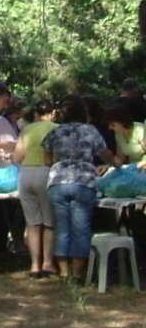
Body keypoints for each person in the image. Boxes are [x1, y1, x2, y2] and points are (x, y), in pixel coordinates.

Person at [44, 96, 114, 281]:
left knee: (62, 228)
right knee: (81, 229)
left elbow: (46, 159)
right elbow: (105, 154)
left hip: (58, 181)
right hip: (84, 182)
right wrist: (116, 164)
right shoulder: (91, 131)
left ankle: (64, 271)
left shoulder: (55, 131)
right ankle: (77, 273)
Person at [14, 100, 58, 278]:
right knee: (48, 222)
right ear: (52, 113)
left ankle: (34, 264)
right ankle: (47, 262)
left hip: (25, 174)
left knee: (32, 223)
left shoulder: (26, 129)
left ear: (35, 114)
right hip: (45, 173)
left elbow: (18, 157)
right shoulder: (56, 128)